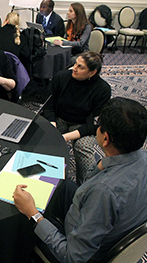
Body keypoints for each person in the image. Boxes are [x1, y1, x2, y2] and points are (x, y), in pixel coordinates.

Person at [14, 97, 147, 263]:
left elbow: (71, 257)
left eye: (98, 126)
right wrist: (100, 167)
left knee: (21, 220)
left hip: (82, 253)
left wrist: (33, 214)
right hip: (110, 227)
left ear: (105, 138)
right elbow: (89, 188)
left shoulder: (104, 191)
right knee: (62, 185)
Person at [42, 51, 111, 183]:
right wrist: (52, 123)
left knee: (83, 147)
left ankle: (86, 185)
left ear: (92, 73)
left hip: (83, 124)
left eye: (81, 67)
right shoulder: (61, 77)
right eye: (75, 64)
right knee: (47, 137)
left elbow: (95, 124)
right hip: (60, 118)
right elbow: (49, 104)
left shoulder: (102, 89)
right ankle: (46, 178)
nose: (74, 68)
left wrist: (67, 136)